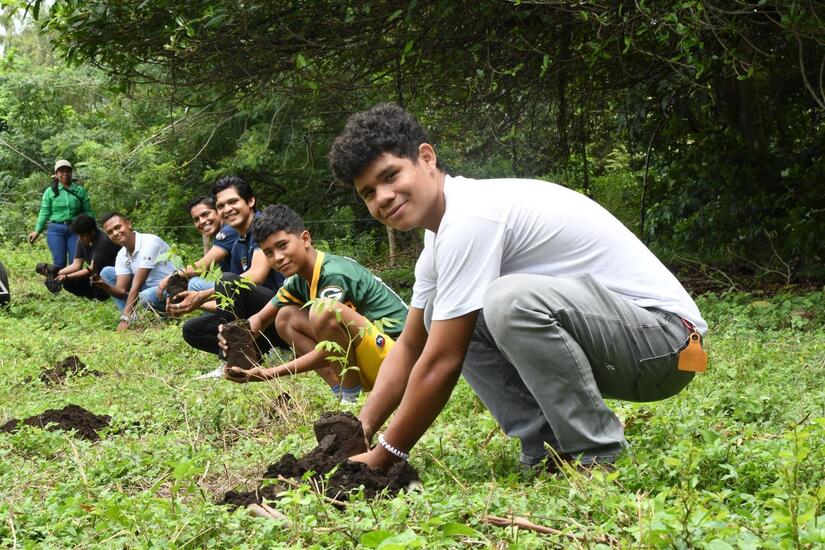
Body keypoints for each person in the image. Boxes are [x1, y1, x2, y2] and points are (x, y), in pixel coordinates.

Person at [328, 103, 708, 472]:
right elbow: (411, 346)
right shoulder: (438, 243)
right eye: (368, 193)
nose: (383, 197)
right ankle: (548, 449)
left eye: (391, 176)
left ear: (426, 158)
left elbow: (441, 361)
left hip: (666, 344)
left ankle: (598, 451)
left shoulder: (471, 216)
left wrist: (386, 455)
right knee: (437, 314)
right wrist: (360, 430)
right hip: (628, 344)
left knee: (507, 301)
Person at [221, 204, 409, 403]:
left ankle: (350, 398)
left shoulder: (333, 274)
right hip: (373, 356)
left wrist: (270, 373)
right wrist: (234, 340)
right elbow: (259, 319)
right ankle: (339, 388)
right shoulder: (298, 280)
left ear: (305, 239)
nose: (278, 257)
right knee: (286, 317)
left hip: (400, 358)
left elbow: (329, 348)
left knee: (322, 311)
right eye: (268, 252)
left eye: (283, 245)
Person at [170, 177, 286, 364]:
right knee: (192, 329)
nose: (227, 209)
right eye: (221, 205)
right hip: (263, 316)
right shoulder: (238, 244)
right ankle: (258, 354)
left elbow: (256, 275)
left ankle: (234, 359)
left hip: (286, 310)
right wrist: (192, 303)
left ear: (250, 201)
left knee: (227, 280)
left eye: (233, 202)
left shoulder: (264, 226)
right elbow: (229, 300)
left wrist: (202, 295)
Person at [93, 213, 175, 331]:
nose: (115, 233)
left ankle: (165, 317)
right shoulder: (122, 254)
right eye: (110, 232)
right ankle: (134, 320)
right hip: (149, 287)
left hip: (170, 287)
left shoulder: (149, 242)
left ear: (129, 224)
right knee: (106, 272)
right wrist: (103, 284)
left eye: (118, 227)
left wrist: (125, 317)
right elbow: (121, 292)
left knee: (146, 296)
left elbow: (137, 285)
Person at [157, 196, 239, 299]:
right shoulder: (219, 235)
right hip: (236, 285)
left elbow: (201, 267)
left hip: (247, 287)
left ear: (218, 211)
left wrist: (172, 276)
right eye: (196, 219)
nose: (201, 221)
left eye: (205, 214)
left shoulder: (228, 231)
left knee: (194, 284)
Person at [28, 160, 94, 268]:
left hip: (76, 230)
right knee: (59, 263)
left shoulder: (80, 190)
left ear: (71, 173)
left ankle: (74, 285)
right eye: (61, 171)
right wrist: (37, 231)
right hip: (56, 230)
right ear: (56, 174)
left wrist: (93, 231)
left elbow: (88, 212)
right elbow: (44, 212)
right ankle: (58, 284)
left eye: (67, 171)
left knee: (75, 262)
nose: (65, 174)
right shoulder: (50, 192)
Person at [49, 214, 119, 301]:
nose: (80, 238)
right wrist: (57, 273)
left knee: (99, 293)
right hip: (95, 276)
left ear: (92, 232)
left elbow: (92, 269)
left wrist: (66, 276)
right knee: (68, 282)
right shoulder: (82, 240)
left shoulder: (103, 241)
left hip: (110, 278)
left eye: (82, 235)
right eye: (79, 235)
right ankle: (90, 297)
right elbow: (76, 265)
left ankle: (99, 297)